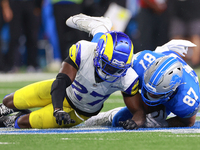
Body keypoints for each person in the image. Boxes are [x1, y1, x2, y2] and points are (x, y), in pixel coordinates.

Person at [0, 14, 146, 130]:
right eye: (108, 66)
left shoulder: (127, 77)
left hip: (79, 112)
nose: (111, 72)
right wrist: (57, 109)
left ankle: (13, 119)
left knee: (23, 123)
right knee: (9, 101)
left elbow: (138, 110)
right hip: (64, 91)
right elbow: (61, 81)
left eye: (117, 69)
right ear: (98, 55)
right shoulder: (85, 51)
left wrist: (136, 122)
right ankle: (100, 27)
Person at [84, 39, 200, 128]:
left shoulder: (187, 98)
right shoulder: (141, 62)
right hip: (161, 56)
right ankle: (107, 116)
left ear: (171, 91)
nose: (149, 95)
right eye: (148, 89)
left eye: (155, 94)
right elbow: (124, 80)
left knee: (144, 118)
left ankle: (111, 116)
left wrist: (162, 124)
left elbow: (189, 122)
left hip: (179, 84)